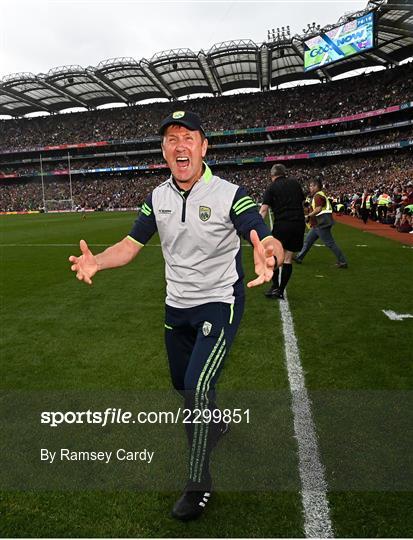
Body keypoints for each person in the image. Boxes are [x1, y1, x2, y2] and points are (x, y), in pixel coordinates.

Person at [68, 111, 284, 521]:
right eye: (171, 138)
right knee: (183, 388)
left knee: (197, 391)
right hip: (176, 307)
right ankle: (216, 424)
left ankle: (198, 483)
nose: (179, 144)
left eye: (188, 137)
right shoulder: (156, 198)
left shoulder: (229, 192)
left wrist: (266, 243)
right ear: (164, 151)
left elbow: (253, 224)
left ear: (204, 147)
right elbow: (132, 244)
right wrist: (98, 262)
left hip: (219, 302)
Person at [259, 164, 305, 299]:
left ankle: (274, 286)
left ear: (272, 175)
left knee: (273, 256)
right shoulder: (295, 184)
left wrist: (256, 227)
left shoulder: (271, 187)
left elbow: (263, 210)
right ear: (284, 173)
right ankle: (280, 290)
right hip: (298, 224)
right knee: (288, 258)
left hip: (282, 224)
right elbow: (301, 203)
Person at [293, 178, 348, 268]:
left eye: (311, 186)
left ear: (316, 186)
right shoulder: (319, 195)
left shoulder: (318, 196)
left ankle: (343, 261)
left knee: (330, 243)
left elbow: (318, 209)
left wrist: (309, 216)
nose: (310, 188)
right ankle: (299, 257)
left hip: (321, 223)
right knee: (308, 241)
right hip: (318, 224)